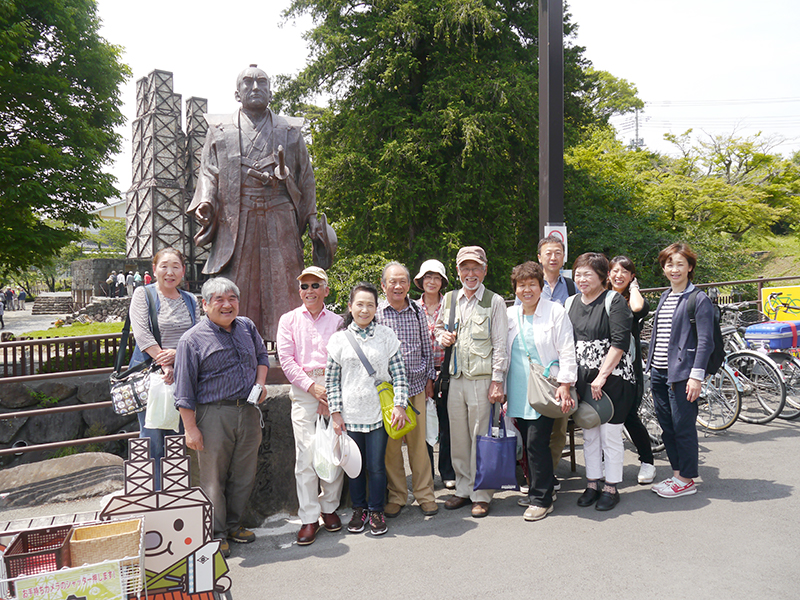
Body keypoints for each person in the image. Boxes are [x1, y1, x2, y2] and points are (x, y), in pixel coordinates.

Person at [188, 64, 330, 342]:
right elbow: (208, 171)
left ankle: (290, 348)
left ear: (270, 91)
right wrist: (205, 201)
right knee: (238, 284)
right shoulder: (219, 130)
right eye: (248, 83)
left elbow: (306, 177)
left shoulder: (289, 130)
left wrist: (311, 216)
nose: (255, 88)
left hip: (281, 214)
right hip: (237, 217)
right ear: (237, 93)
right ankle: (237, 344)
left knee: (287, 283)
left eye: (262, 82)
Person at [175, 277, 269, 558]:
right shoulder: (191, 340)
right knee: (213, 477)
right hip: (213, 413)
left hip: (248, 411)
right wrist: (190, 429)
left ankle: (234, 525)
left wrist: (261, 384)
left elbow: (263, 357)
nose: (227, 304)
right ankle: (216, 533)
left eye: (232, 298)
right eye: (219, 299)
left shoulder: (247, 327)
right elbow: (183, 391)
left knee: (244, 473)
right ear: (205, 304)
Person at [326, 282, 409, 537]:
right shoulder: (338, 339)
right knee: (355, 467)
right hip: (350, 416)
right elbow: (331, 380)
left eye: (370, 305)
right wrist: (336, 413)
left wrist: (400, 405)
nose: (364, 310)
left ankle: (376, 510)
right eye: (359, 304)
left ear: (376, 308)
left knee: (376, 466)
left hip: (377, 414)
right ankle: (358, 508)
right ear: (350, 307)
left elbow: (399, 373)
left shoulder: (385, 336)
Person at [434, 246, 508, 518]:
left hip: (482, 379)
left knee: (481, 437)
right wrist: (441, 336)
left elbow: (500, 345)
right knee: (458, 437)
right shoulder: (450, 299)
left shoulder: (494, 301)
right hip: (455, 378)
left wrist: (497, 380)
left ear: (485, 269)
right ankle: (463, 489)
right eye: (465, 268)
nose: (470, 273)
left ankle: (481, 493)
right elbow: (439, 328)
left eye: (476, 267)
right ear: (457, 271)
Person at [276, 266, 344, 546]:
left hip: (334, 388)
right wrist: (313, 388)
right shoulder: (288, 320)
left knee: (333, 451)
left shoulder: (339, 321)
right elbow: (287, 360)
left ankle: (329, 508)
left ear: (326, 289)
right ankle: (308, 516)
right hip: (304, 390)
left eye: (315, 285)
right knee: (305, 455)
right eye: (304, 286)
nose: (309, 291)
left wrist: (330, 394)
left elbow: (343, 358)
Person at [506, 262, 577, 521]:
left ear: (540, 286)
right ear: (514, 289)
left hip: (547, 388)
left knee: (537, 442)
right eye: (521, 285)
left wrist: (566, 385)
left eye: (532, 284)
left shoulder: (555, 312)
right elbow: (503, 355)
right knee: (528, 443)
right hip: (518, 389)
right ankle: (541, 488)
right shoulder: (510, 315)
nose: (527, 290)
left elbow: (568, 350)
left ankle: (541, 499)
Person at [567, 253, 635, 512]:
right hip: (583, 378)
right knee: (589, 432)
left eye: (587, 274)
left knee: (610, 435)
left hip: (613, 379)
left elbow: (619, 342)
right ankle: (592, 482)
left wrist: (602, 376)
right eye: (578, 274)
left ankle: (611, 486)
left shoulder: (613, 300)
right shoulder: (570, 303)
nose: (581, 279)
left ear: (602, 276)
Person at [646, 243, 714, 498]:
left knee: (683, 426)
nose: (674, 269)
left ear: (690, 268)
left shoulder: (698, 299)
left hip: (684, 374)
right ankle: (677, 475)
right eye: (669, 264)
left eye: (680, 264)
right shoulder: (665, 296)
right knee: (667, 425)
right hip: (660, 371)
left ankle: (686, 479)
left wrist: (697, 376)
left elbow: (706, 341)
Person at [129, 248, 199, 490]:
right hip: (152, 375)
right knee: (153, 436)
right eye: (164, 266)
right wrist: (164, 362)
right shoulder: (144, 295)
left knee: (180, 435)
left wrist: (177, 357)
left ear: (183, 270)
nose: (170, 272)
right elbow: (142, 334)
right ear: (154, 269)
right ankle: (154, 493)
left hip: (183, 375)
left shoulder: (190, 299)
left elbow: (197, 337)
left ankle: (178, 493)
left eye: (176, 266)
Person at [377, 262, 438, 518]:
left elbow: (427, 346)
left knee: (419, 445)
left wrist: (429, 378)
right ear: (383, 285)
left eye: (402, 281)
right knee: (391, 447)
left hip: (416, 388)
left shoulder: (416, 310)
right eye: (393, 281)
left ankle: (425, 494)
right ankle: (398, 496)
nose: (398, 286)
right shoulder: (377, 313)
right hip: (389, 392)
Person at [607, 256, 655, 484]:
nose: (619, 275)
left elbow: (638, 308)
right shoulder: (602, 296)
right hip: (603, 363)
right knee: (602, 414)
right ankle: (606, 463)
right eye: (614, 271)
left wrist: (634, 287)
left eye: (625, 272)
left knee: (628, 415)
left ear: (632, 276)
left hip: (627, 364)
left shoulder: (631, 299)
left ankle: (647, 461)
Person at [414, 259, 456, 490]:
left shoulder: (451, 305)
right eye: (428, 277)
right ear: (420, 281)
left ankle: (448, 471)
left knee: (447, 424)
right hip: (421, 375)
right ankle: (426, 473)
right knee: (425, 425)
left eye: (437, 277)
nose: (432, 281)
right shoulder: (412, 307)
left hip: (448, 372)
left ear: (443, 282)